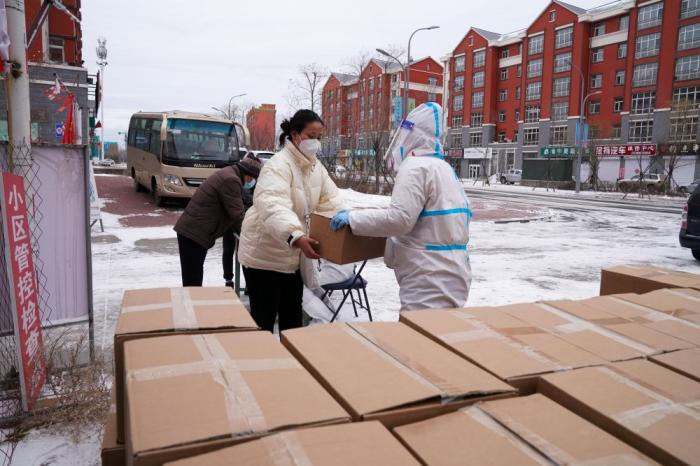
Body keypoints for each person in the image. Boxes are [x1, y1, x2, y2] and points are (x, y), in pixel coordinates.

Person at [330, 102, 472, 311]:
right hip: (453, 271)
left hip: (427, 276)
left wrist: (352, 218)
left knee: (419, 336)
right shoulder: (443, 167)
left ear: (413, 133)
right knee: (440, 334)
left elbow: (400, 220)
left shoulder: (415, 167)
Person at [238, 109, 344, 332]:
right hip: (264, 257)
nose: (315, 142)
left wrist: (341, 220)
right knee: (263, 321)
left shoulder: (315, 167)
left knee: (292, 320)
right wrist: (296, 235)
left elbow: (331, 201)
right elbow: (272, 203)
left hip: (293, 256)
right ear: (295, 136)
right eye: (311, 136)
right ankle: (261, 363)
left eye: (319, 137)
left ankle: (292, 363)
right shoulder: (278, 165)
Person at [174, 154, 262, 286]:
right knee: (192, 281)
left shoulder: (229, 173)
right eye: (253, 178)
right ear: (248, 175)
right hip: (194, 234)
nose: (252, 181)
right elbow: (238, 216)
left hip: (193, 232)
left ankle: (191, 302)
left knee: (192, 278)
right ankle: (190, 304)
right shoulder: (231, 180)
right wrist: (254, 237)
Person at [222, 181, 254, 287]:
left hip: (246, 222)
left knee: (245, 252)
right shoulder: (234, 183)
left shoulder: (257, 184)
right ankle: (229, 280)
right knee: (229, 251)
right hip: (232, 222)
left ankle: (248, 283)